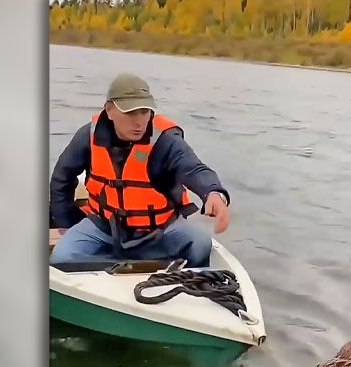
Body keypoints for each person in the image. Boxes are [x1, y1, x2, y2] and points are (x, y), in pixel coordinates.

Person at [49, 73, 231, 267]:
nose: (139, 122)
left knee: (200, 245)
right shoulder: (88, 136)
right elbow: (62, 178)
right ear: (109, 110)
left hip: (159, 229)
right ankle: (116, 266)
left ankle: (178, 280)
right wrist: (66, 223)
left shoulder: (165, 140)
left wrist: (214, 193)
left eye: (144, 112)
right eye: (130, 113)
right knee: (62, 258)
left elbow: (194, 169)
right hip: (103, 226)